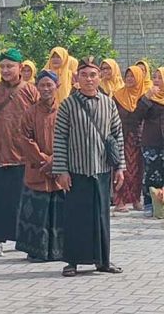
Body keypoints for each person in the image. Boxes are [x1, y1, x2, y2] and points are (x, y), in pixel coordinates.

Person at [53, 56, 125, 277]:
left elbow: (117, 136)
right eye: (84, 75)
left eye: (93, 75)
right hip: (77, 169)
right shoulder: (67, 104)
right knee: (76, 216)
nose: (89, 79)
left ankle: (102, 261)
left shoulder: (109, 103)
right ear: (77, 78)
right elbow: (60, 139)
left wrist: (120, 167)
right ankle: (72, 261)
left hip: (102, 170)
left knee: (101, 216)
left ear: (100, 77)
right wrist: (61, 170)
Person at [0, 49, 39, 257]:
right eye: (2, 66)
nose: (5, 70)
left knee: (23, 200)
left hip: (23, 156)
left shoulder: (31, 91)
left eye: (10, 66)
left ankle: (26, 242)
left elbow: (38, 123)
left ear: (20, 68)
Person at [15, 70, 65, 262]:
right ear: (36, 87)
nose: (45, 89)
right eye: (42, 85)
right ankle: (36, 250)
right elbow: (25, 139)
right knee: (37, 211)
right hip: (37, 169)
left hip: (60, 169)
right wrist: (44, 160)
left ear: (57, 86)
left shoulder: (64, 111)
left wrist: (56, 161)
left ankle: (58, 251)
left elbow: (70, 139)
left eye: (49, 85)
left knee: (58, 211)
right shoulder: (30, 113)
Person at [135, 67, 164, 214]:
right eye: (155, 77)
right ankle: (149, 204)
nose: (156, 80)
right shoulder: (148, 97)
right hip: (151, 142)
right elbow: (137, 115)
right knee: (151, 173)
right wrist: (147, 98)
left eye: (160, 77)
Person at [111, 66, 145, 212]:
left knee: (137, 169)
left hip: (138, 138)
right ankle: (120, 201)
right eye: (128, 76)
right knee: (121, 169)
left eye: (133, 76)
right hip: (121, 136)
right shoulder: (117, 95)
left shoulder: (143, 97)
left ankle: (136, 199)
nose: (130, 79)